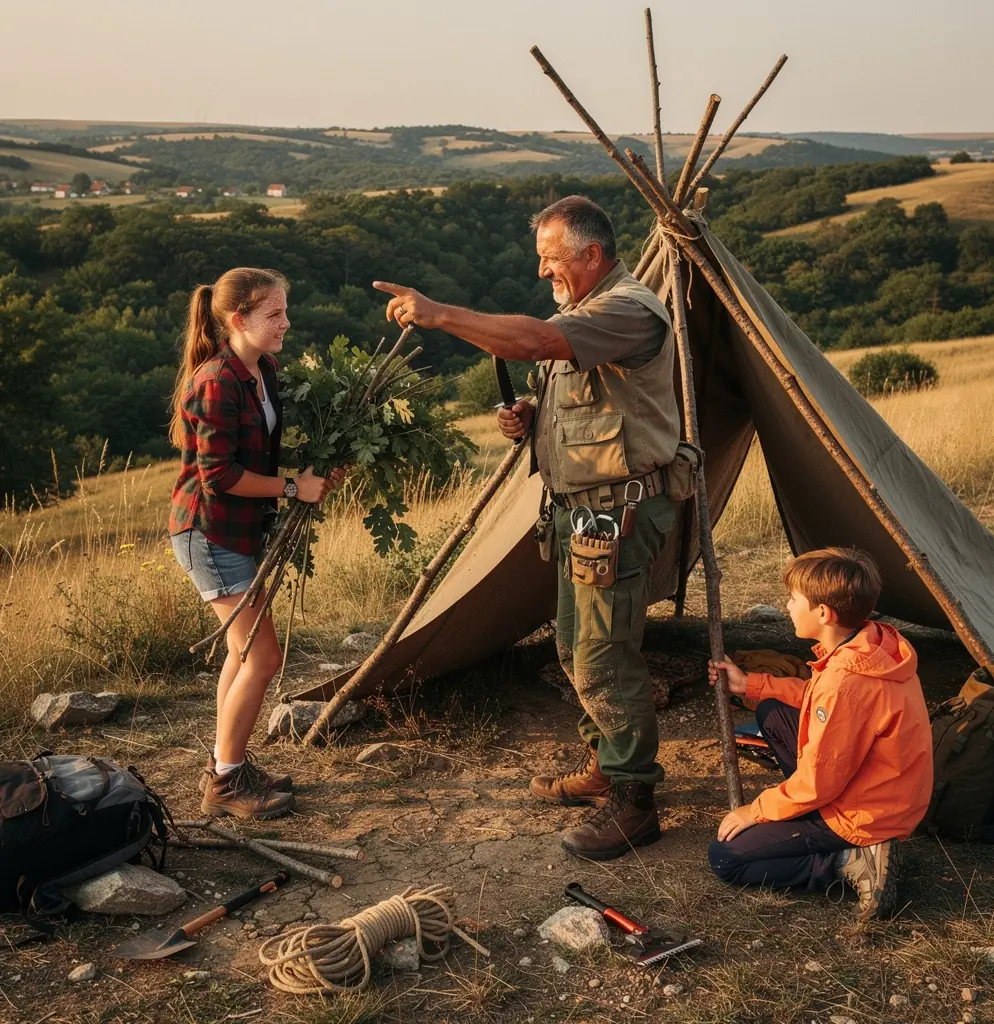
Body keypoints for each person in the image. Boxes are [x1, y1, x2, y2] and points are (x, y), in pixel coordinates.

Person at [374, 195, 682, 860]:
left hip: (617, 513)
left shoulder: (628, 309)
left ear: (592, 254)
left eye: (551, 258)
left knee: (603, 656)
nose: (543, 271)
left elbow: (536, 340)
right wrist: (531, 416)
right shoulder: (586, 313)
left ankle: (635, 803)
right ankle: (607, 763)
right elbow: (583, 396)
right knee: (574, 647)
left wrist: (441, 315)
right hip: (586, 512)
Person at [168, 267, 343, 820]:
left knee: (242, 653)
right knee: (264, 656)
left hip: (237, 530)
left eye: (286, 311)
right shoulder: (216, 381)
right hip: (209, 532)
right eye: (274, 314)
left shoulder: (261, 368)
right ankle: (224, 784)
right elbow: (218, 475)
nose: (286, 324)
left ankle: (229, 763)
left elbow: (262, 450)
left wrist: (314, 469)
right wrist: (294, 487)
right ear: (238, 319)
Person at [706, 547, 933, 920]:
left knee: (726, 857)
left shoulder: (846, 681)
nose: (788, 606)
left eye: (794, 599)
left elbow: (819, 783)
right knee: (772, 711)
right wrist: (751, 684)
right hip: (889, 791)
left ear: (823, 613)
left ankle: (851, 861)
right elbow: (817, 700)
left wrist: (757, 811)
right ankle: (814, 828)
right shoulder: (872, 644)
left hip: (866, 813)